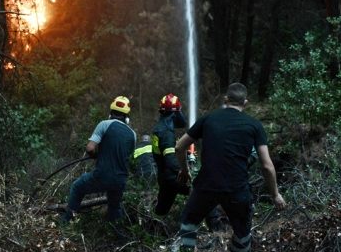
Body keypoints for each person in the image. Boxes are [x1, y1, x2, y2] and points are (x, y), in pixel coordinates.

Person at [175, 83, 287, 252]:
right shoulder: (254, 125)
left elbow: (179, 147)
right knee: (242, 227)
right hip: (236, 187)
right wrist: (275, 195)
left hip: (206, 185)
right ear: (245, 103)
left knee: (189, 221)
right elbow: (267, 166)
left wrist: (185, 171)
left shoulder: (208, 118)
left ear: (225, 100)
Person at [62, 96, 136, 231]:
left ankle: (66, 225)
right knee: (115, 206)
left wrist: (96, 156)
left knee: (77, 187)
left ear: (111, 113)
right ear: (126, 117)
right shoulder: (133, 134)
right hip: (120, 179)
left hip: (103, 176)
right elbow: (127, 155)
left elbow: (90, 148)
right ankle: (119, 238)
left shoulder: (104, 124)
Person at [152, 94, 222, 231]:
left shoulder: (159, 129)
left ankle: (152, 230)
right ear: (175, 113)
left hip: (164, 177)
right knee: (204, 191)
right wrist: (184, 172)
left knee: (162, 207)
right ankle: (217, 229)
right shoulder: (166, 133)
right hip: (174, 177)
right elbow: (171, 159)